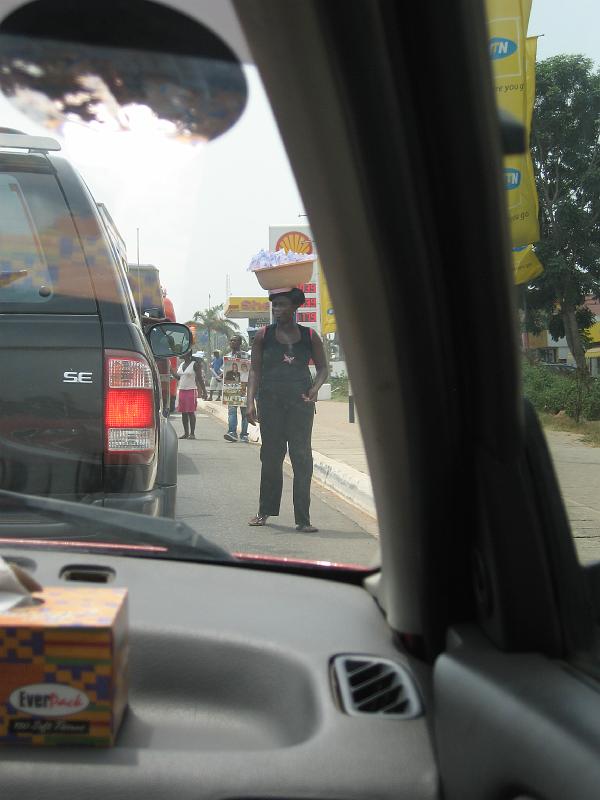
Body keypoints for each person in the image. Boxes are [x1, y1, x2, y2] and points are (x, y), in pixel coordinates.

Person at [246, 287, 328, 532]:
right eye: (275, 305)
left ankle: (303, 519)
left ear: (295, 308)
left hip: (300, 404)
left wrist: (315, 388)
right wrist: (250, 402)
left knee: (302, 458)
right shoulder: (263, 335)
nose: (277, 309)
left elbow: (323, 368)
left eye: (282, 305)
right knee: (271, 456)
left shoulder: (309, 335)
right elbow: (255, 370)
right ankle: (264, 511)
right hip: (270, 403)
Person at [172, 350, 207, 440]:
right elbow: (179, 377)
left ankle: (192, 433)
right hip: (182, 390)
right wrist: (171, 370)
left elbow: (199, 378)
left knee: (191, 412)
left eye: (183, 352)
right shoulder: (181, 364)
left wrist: (204, 391)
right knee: (183, 413)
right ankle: (186, 433)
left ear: (187, 354)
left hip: (191, 390)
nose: (180, 354)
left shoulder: (195, 364)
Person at [224, 335, 249, 443]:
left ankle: (244, 434)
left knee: (245, 412)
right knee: (232, 411)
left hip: (244, 386)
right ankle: (232, 432)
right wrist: (221, 376)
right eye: (231, 340)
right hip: (231, 387)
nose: (232, 342)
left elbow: (251, 369)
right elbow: (225, 370)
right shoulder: (227, 356)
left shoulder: (247, 355)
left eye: (235, 340)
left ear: (240, 343)